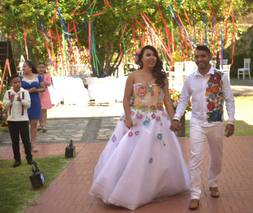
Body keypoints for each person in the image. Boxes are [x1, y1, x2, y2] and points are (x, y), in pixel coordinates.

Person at [90, 45, 190, 210]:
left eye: (154, 55)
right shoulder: (133, 76)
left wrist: (174, 119)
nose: (152, 58)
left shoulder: (161, 77)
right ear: (141, 58)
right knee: (130, 155)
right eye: (148, 55)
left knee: (158, 157)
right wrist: (128, 117)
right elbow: (125, 99)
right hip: (137, 120)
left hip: (158, 120)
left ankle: (155, 187)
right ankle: (126, 189)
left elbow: (167, 102)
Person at [171, 45, 235, 210]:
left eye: (203, 56)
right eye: (197, 56)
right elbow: (184, 99)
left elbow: (229, 99)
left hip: (216, 123)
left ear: (210, 57)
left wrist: (231, 121)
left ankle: (213, 182)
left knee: (217, 158)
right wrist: (177, 117)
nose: (200, 59)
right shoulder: (191, 78)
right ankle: (195, 195)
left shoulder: (221, 77)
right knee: (195, 159)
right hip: (197, 123)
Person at [3, 74, 34, 167]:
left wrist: (21, 100)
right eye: (15, 82)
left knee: (26, 141)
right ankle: (17, 160)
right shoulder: (8, 93)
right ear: (11, 83)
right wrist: (10, 101)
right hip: (12, 120)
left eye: (19, 82)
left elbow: (28, 105)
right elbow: (5, 105)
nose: (17, 84)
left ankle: (29, 158)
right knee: (15, 141)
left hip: (23, 120)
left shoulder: (25, 92)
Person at [21, 60, 45, 152]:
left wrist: (36, 90)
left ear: (30, 68)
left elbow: (43, 88)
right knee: (25, 125)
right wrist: (28, 91)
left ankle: (33, 144)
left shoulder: (38, 77)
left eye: (25, 66)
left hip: (35, 102)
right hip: (24, 103)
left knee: (34, 124)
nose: (23, 68)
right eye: (22, 67)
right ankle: (26, 145)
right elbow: (17, 90)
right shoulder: (20, 78)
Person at [37, 63, 52, 133]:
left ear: (45, 68)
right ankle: (40, 124)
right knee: (39, 109)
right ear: (37, 68)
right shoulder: (35, 76)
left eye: (43, 67)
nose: (41, 69)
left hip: (45, 93)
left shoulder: (47, 75)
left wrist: (43, 79)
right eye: (39, 67)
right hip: (37, 93)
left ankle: (44, 124)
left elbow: (49, 83)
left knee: (44, 110)